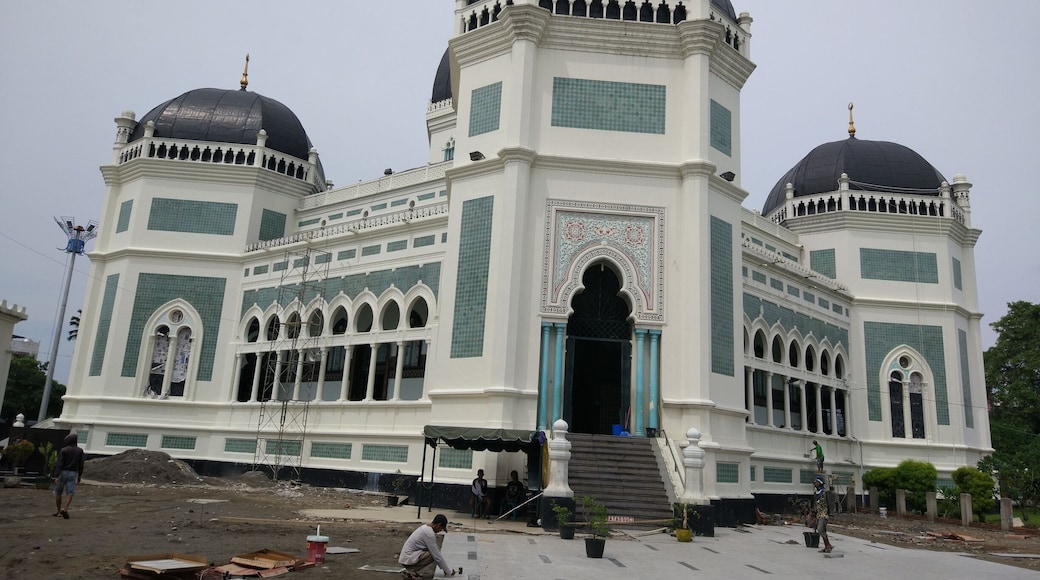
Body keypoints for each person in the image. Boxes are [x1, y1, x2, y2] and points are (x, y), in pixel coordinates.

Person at [398, 513, 456, 579]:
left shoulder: (425, 528)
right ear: (438, 525)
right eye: (441, 529)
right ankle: (411, 570)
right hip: (408, 558)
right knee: (432, 555)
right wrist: (448, 571)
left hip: (407, 557)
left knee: (434, 551)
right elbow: (437, 556)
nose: (440, 531)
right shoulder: (429, 533)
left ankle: (411, 570)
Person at [52, 433, 85, 519]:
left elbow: (60, 463)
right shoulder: (79, 451)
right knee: (70, 492)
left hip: (63, 472)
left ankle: (58, 511)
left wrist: (56, 475)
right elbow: (81, 464)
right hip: (73, 473)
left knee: (58, 492)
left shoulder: (64, 450)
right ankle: (65, 508)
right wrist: (79, 475)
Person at [813, 475, 833, 553]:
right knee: (821, 530)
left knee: (820, 529)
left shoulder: (825, 492)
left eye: (817, 482)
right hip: (818, 513)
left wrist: (831, 513)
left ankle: (828, 545)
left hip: (824, 513)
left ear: (820, 483)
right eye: (815, 482)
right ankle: (827, 545)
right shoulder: (816, 493)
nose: (815, 483)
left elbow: (830, 503)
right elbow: (815, 504)